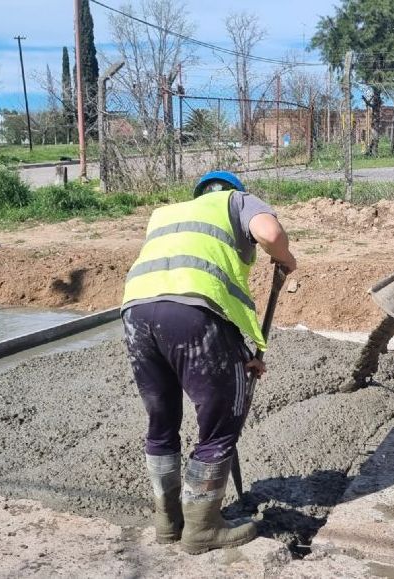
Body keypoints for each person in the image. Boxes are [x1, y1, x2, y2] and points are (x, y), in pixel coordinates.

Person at [121, 170, 297, 554]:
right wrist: (287, 259)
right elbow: (269, 234)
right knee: (220, 423)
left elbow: (189, 284)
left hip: (136, 313)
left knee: (161, 420)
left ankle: (168, 523)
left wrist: (240, 355)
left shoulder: (166, 214)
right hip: (192, 314)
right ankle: (202, 529)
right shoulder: (236, 201)